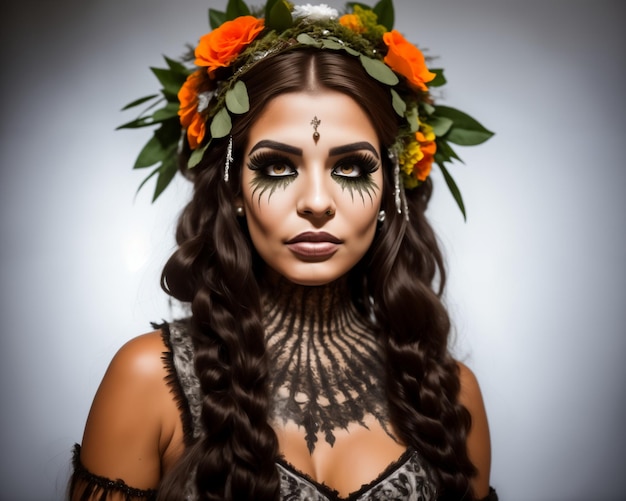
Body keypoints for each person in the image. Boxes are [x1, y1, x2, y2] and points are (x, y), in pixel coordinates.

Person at [69, 1, 496, 500]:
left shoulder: (449, 392)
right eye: (277, 167)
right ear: (232, 190)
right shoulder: (149, 381)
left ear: (392, 189)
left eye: (351, 168)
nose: (316, 202)